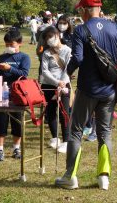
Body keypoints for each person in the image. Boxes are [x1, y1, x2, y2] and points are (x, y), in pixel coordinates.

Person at [55, 0, 117, 191]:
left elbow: (78, 58)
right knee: (104, 132)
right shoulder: (116, 27)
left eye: (80, 10)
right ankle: (103, 178)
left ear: (84, 10)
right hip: (109, 91)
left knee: (75, 131)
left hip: (87, 90)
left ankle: (70, 177)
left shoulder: (81, 30)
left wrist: (65, 77)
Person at [0, 28, 30, 161]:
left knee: (17, 122)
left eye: (11, 44)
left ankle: (16, 148)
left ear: (19, 43)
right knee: (0, 121)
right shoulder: (3, 57)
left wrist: (10, 68)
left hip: (18, 95)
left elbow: (24, 74)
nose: (9, 47)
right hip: (2, 93)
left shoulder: (24, 57)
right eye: (7, 44)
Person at [40, 26, 71, 154]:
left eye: (50, 36)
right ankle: (54, 137)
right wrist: (56, 82)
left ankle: (66, 141)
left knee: (64, 113)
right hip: (49, 85)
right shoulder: (46, 53)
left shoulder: (68, 50)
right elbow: (44, 71)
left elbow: (69, 68)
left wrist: (62, 83)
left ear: (57, 35)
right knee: (51, 111)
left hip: (64, 85)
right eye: (46, 38)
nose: (48, 40)